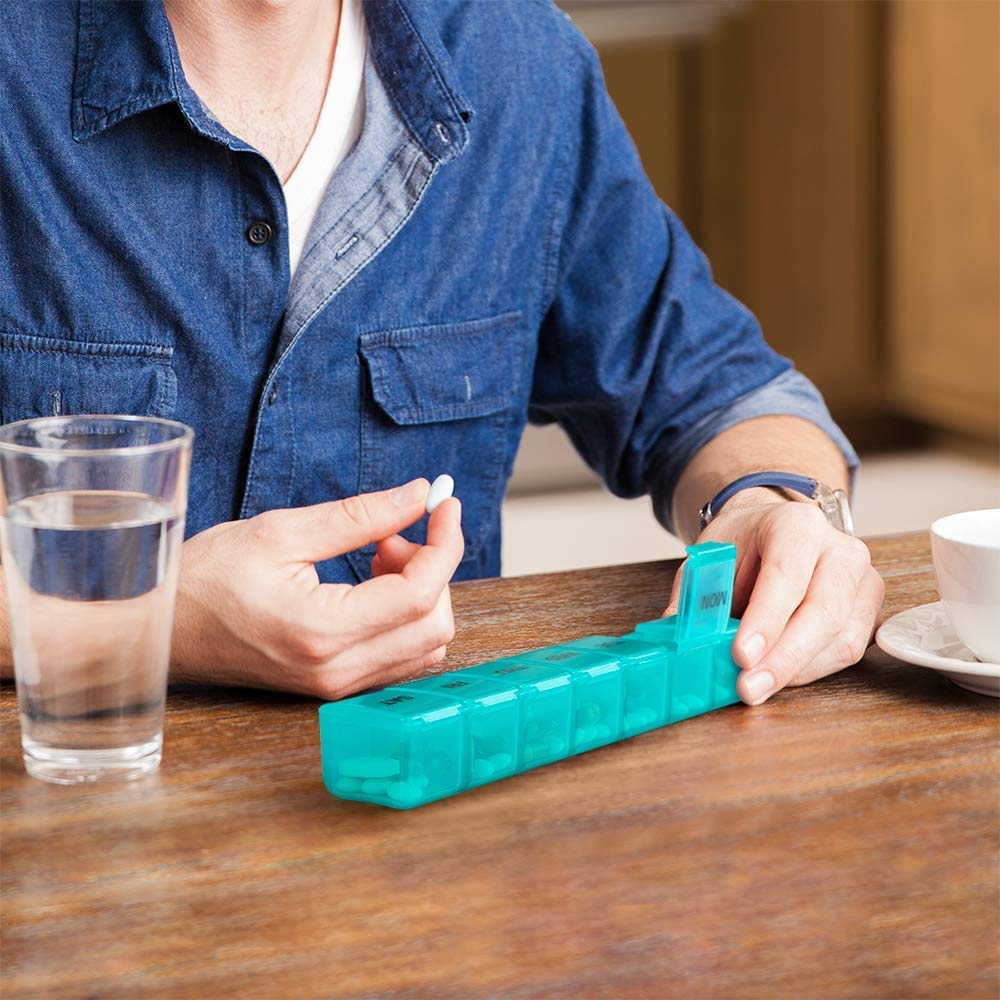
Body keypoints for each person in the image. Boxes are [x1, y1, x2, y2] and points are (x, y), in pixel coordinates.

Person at [0, 0, 883, 705]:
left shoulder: (518, 64)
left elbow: (723, 394)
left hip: (419, 840)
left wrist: (783, 508)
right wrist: (141, 622)